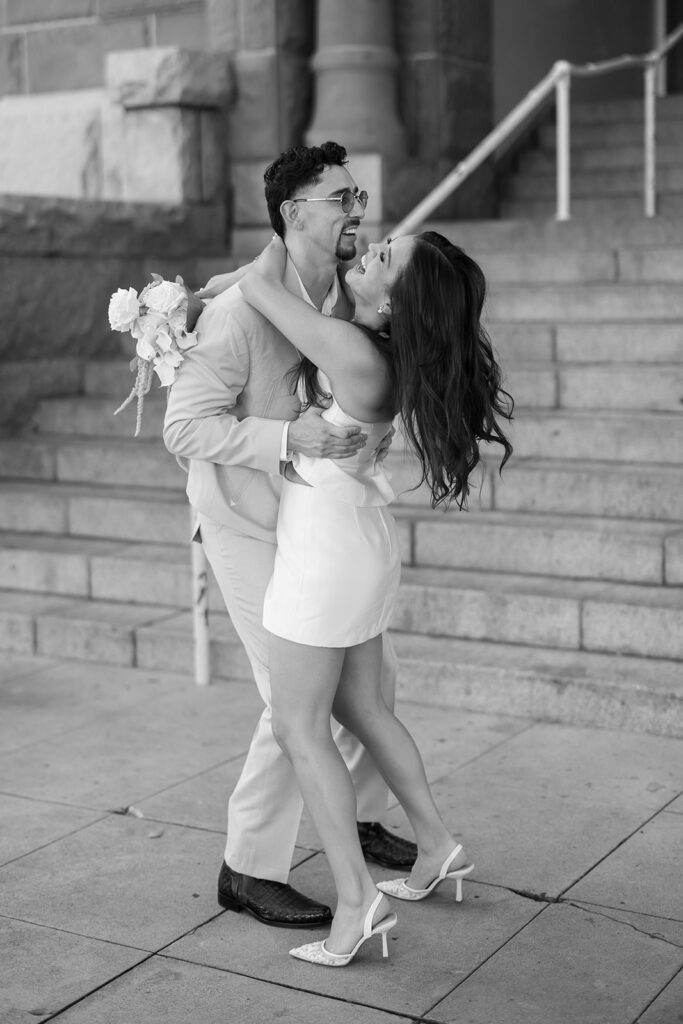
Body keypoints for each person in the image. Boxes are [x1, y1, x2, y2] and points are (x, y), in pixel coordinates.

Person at [232, 223, 513, 966]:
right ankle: (436, 845)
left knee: (298, 725)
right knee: (360, 706)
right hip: (354, 541)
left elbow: (260, 285)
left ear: (394, 307)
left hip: (325, 553)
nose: (372, 245)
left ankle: (356, 904)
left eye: (385, 256)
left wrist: (293, 216)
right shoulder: (371, 349)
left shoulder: (353, 350)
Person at [163, 142, 418, 932]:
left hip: (316, 524)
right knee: (291, 699)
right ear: (293, 212)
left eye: (357, 196)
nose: (356, 211)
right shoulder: (241, 313)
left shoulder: (339, 299)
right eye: (340, 198)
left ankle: (362, 816)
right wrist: (286, 438)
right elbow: (184, 426)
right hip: (244, 523)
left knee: (374, 679)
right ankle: (248, 867)